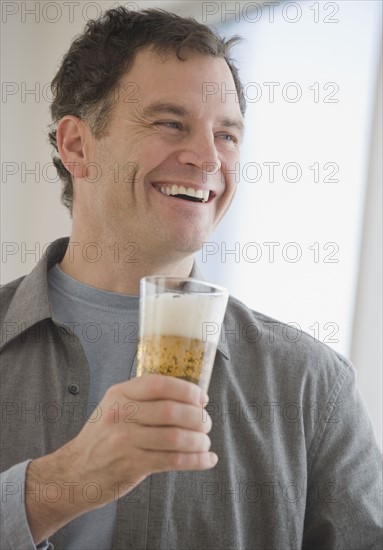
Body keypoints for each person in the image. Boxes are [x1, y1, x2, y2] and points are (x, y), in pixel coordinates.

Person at [0, 7, 382, 550]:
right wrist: (56, 487)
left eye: (227, 135)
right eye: (169, 123)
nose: (207, 159)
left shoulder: (312, 390)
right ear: (78, 147)